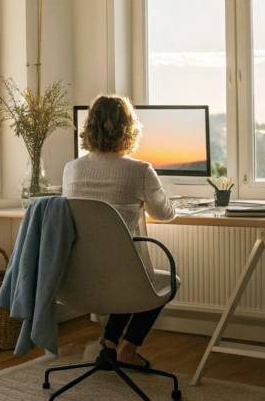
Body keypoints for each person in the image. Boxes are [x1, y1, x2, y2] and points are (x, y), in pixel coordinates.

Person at [62, 94, 177, 368]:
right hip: (122, 277)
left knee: (125, 277)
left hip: (75, 279)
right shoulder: (140, 171)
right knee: (165, 281)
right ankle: (128, 349)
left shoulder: (71, 169)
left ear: (89, 127)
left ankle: (110, 345)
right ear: (130, 128)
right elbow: (164, 214)